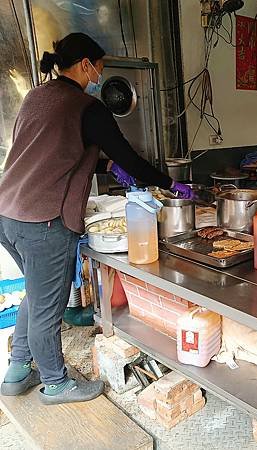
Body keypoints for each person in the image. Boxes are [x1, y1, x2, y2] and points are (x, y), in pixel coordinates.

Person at [0, 33, 193, 405]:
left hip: (9, 211)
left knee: (36, 294)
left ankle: (18, 370)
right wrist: (169, 182)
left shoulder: (37, 96)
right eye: (100, 67)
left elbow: (50, 152)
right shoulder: (86, 106)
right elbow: (131, 158)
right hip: (44, 220)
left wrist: (104, 164)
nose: (100, 74)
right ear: (86, 64)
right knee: (48, 305)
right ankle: (56, 383)